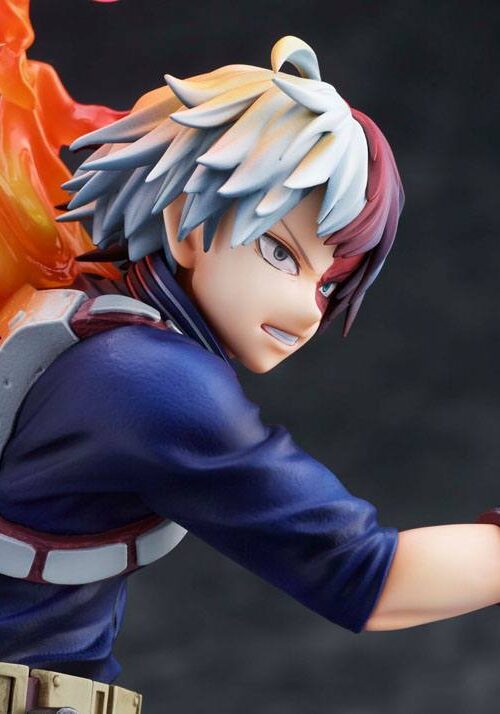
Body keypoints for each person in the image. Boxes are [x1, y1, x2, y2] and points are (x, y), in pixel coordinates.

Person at [0, 32, 499, 714]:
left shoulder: (90, 315)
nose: (306, 310)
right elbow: (368, 577)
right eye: (280, 252)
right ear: (184, 221)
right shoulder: (155, 382)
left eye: (328, 285)